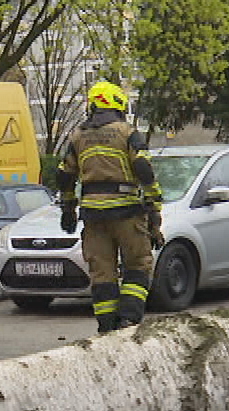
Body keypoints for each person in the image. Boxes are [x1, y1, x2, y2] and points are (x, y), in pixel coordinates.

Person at [58, 81, 163, 334]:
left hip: (93, 216)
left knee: (101, 272)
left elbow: (64, 175)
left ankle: (106, 326)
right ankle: (128, 320)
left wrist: (68, 208)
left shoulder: (77, 136)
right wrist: (154, 208)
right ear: (118, 104)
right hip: (126, 212)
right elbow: (143, 170)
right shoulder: (127, 133)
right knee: (138, 264)